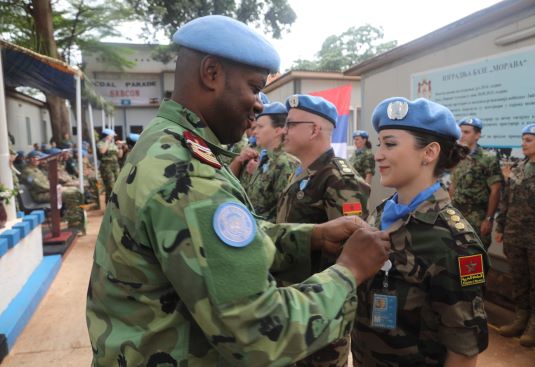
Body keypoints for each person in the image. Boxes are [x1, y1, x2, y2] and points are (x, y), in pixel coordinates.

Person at [86, 15, 391, 367]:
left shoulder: (168, 142)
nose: (260, 104)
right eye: (254, 86)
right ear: (211, 73)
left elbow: (229, 237)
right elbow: (259, 333)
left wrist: (312, 237)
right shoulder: (189, 176)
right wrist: (350, 270)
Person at [351, 97, 489, 367]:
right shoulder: (380, 214)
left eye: (390, 144)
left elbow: (463, 350)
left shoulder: (455, 242)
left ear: (429, 153)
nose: (378, 154)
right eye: (379, 144)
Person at [276, 94, 371, 367]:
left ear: (314, 129)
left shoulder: (339, 179)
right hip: (291, 304)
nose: (284, 130)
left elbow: (348, 253)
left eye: (291, 124)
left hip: (319, 314)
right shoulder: (302, 172)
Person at [495, 123, 535, 347]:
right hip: (514, 235)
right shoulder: (518, 168)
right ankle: (521, 317)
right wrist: (500, 226)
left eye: (528, 140)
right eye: (523, 139)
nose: (522, 144)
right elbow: (506, 199)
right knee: (519, 278)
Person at [239, 101, 299, 222]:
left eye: (260, 127)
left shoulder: (285, 163)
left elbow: (285, 213)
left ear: (278, 131)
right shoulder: (267, 158)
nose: (255, 131)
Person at [449, 117, 502, 248]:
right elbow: (453, 185)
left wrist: (489, 219)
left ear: (477, 135)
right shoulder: (458, 156)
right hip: (456, 216)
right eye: (460, 132)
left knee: (474, 261)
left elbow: (495, 190)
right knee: (455, 257)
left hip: (477, 218)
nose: (462, 135)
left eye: (466, 132)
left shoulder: (488, 158)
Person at [20, 151, 84, 229]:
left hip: (46, 192)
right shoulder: (28, 172)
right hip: (39, 195)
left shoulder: (36, 169)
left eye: (37, 157)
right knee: (69, 193)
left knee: (74, 190)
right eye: (33, 158)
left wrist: (57, 188)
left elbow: (46, 182)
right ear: (28, 160)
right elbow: (39, 186)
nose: (36, 159)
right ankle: (73, 221)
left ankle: (77, 216)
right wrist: (56, 189)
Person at [97, 128, 122, 203]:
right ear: (107, 136)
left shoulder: (112, 144)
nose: (113, 138)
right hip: (106, 166)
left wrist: (120, 147)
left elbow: (120, 155)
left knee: (117, 185)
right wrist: (107, 141)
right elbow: (102, 151)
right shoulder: (101, 143)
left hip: (115, 165)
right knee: (110, 186)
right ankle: (110, 205)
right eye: (112, 136)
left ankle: (114, 205)